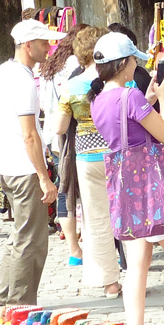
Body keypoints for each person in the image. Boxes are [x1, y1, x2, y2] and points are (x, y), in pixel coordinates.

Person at [89, 31, 164, 325]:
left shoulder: (98, 101)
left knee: (136, 266)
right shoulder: (130, 96)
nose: (136, 64)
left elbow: (126, 129)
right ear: (123, 65)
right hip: (150, 187)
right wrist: (162, 98)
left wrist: (145, 102)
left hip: (124, 191)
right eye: (133, 60)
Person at [0, 19, 63, 307]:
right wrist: (43, 177)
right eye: (44, 44)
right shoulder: (21, 79)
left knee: (20, 237)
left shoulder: (3, 72)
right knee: (31, 241)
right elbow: (29, 134)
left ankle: (5, 300)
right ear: (28, 46)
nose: (48, 49)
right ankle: (19, 305)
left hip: (8, 166)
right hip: (23, 168)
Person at [55, 26, 123, 297]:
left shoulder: (71, 86)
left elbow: (59, 127)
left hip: (86, 157)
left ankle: (110, 283)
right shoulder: (116, 80)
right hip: (116, 153)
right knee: (126, 214)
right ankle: (136, 272)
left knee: (96, 221)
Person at [40, 24, 89, 266]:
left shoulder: (51, 66)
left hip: (54, 135)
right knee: (87, 192)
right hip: (77, 134)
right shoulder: (77, 66)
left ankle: (74, 249)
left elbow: (43, 104)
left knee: (66, 191)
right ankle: (89, 241)